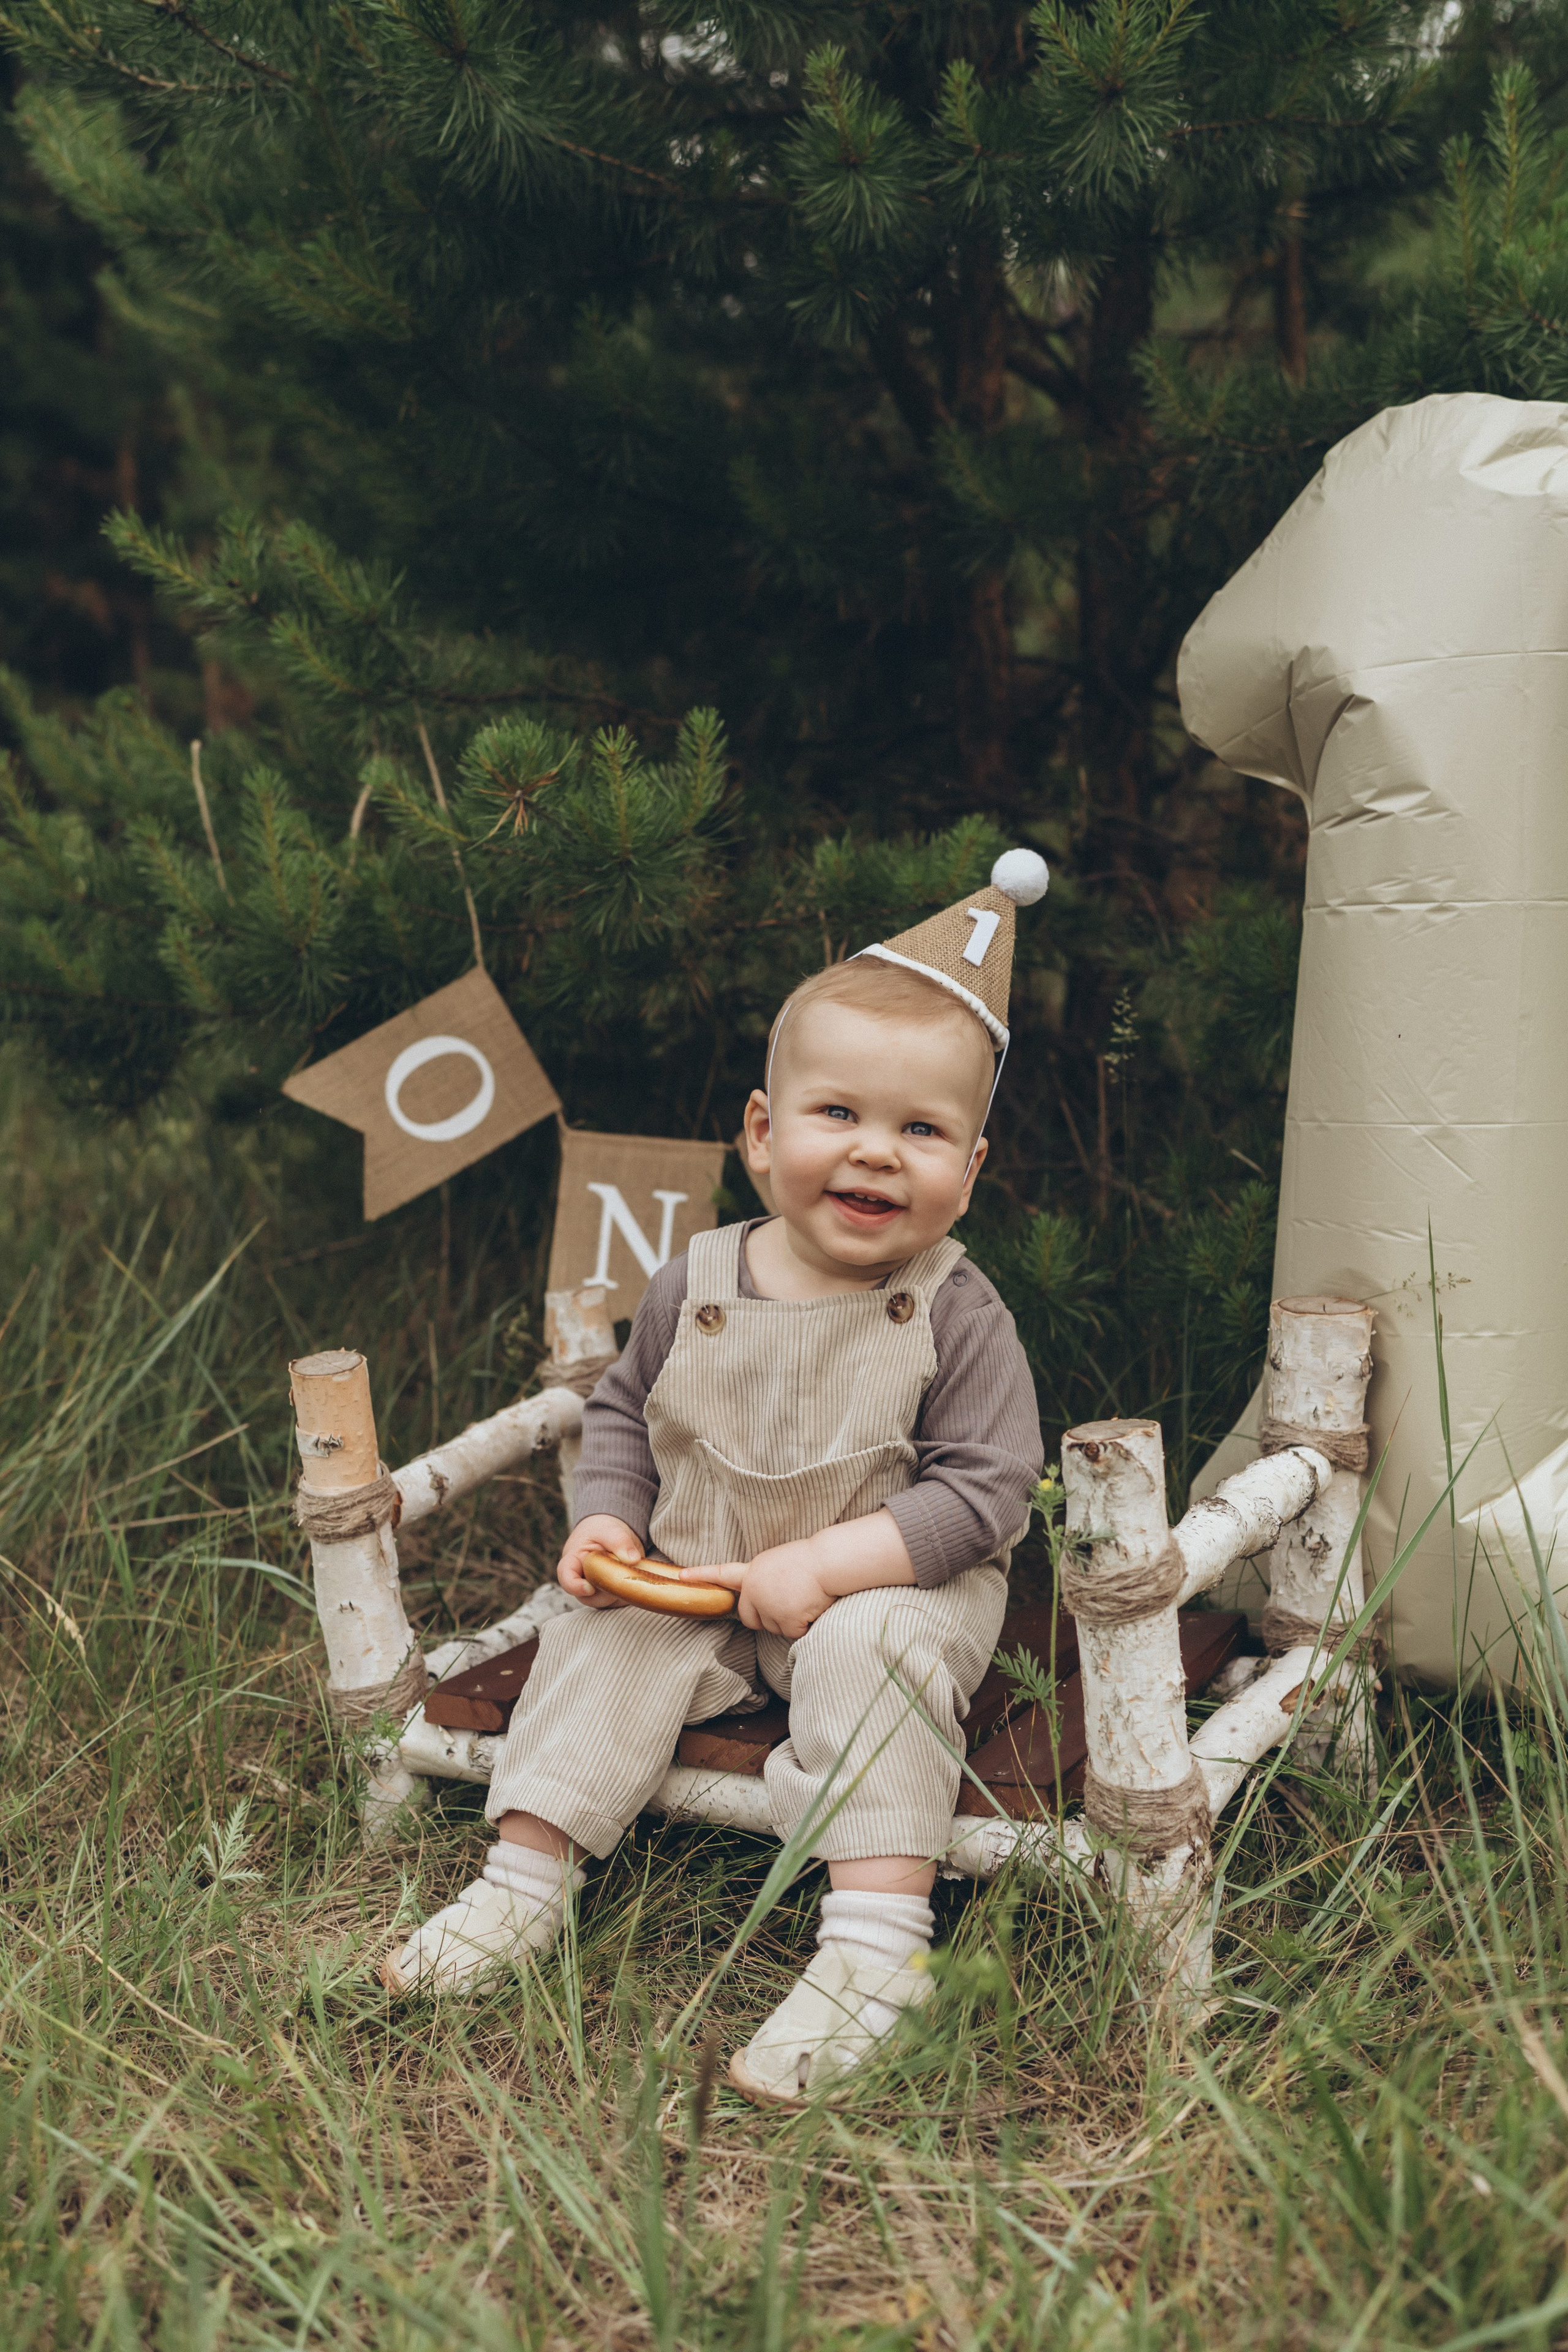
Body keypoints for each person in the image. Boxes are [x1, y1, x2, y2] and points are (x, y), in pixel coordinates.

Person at [383, 851, 1049, 2105]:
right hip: (697, 1573)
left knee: (874, 1662)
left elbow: (984, 1494)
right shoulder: (693, 1279)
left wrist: (828, 1569)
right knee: (604, 1634)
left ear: (970, 1165)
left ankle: (873, 1947)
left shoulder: (955, 1311)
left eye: (920, 1131)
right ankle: (525, 1881)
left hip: (878, 1593)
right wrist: (604, 1524)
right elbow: (626, 1415)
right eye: (837, 1115)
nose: (874, 1155)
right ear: (760, 1132)